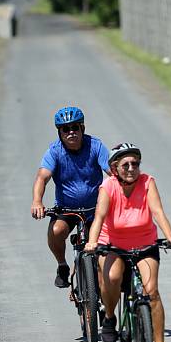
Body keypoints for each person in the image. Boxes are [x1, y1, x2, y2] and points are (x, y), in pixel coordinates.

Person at [84, 143, 171, 342]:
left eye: (135, 164)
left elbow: (157, 212)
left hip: (145, 244)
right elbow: (99, 217)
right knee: (113, 278)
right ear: (115, 168)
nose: (131, 168)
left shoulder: (148, 182)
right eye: (125, 165)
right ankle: (109, 318)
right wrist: (92, 242)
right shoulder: (108, 186)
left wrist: (170, 236)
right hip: (113, 244)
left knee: (152, 292)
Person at [31, 106, 110, 287]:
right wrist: (37, 202)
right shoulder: (54, 151)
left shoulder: (96, 146)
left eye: (75, 127)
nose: (71, 132)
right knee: (57, 231)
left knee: (102, 246)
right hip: (67, 209)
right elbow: (42, 178)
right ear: (60, 132)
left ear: (82, 128)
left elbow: (111, 172)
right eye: (65, 129)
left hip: (95, 208)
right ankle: (62, 265)